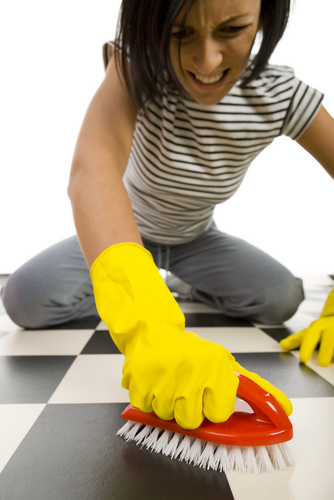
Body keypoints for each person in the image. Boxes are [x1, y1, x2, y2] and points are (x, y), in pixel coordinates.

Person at [2, 0, 334, 429]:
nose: (208, 60)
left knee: (281, 299)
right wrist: (145, 323)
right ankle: (151, 281)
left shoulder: (283, 95)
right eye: (181, 35)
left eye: (232, 29)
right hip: (126, 232)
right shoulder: (135, 67)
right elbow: (93, 169)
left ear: (265, 18)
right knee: (23, 301)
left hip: (197, 239)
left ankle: (178, 282)